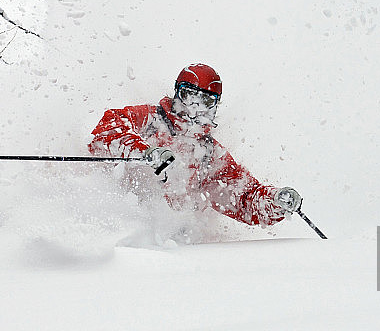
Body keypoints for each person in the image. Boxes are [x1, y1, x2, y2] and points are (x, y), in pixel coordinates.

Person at [88, 63, 302, 227]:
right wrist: (145, 152)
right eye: (189, 95)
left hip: (164, 238)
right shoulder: (150, 119)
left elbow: (243, 198)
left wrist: (275, 201)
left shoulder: (209, 153)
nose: (195, 107)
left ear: (215, 105)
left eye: (205, 101)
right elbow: (109, 128)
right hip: (110, 212)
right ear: (177, 92)